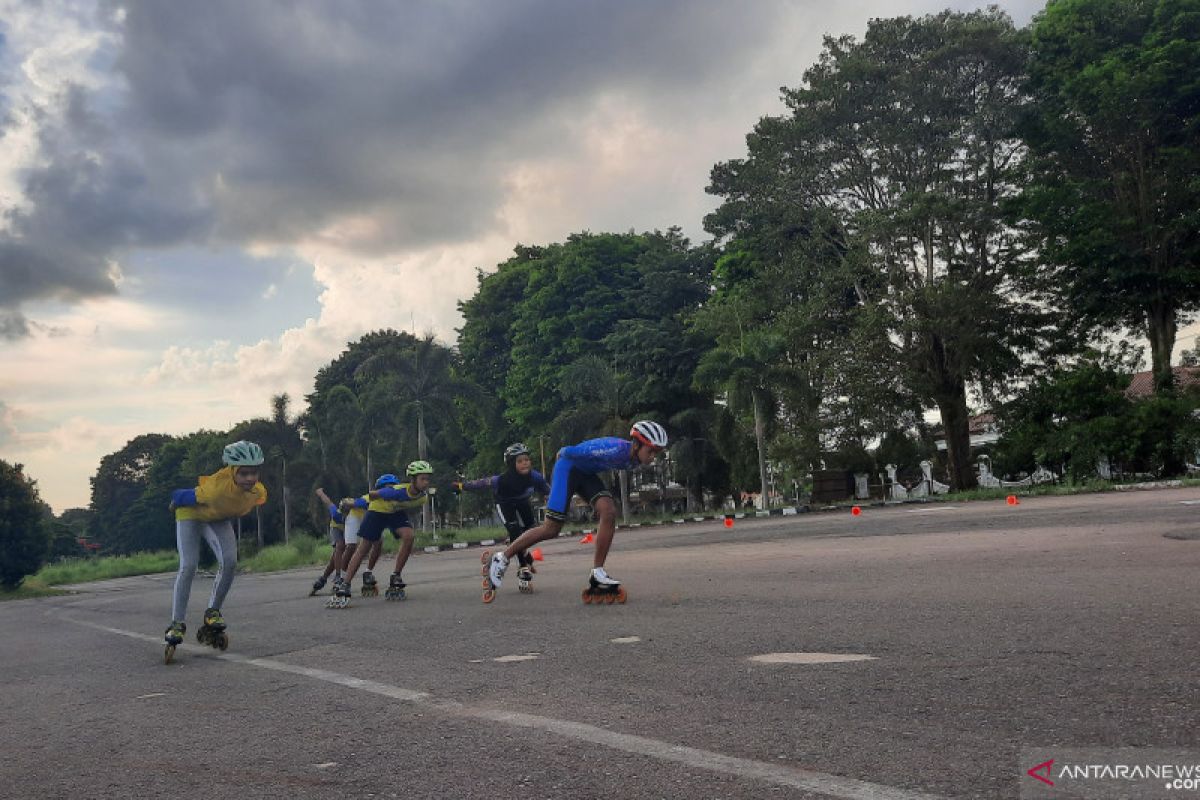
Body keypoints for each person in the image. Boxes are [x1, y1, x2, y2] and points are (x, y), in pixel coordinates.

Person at [484, 421, 668, 603]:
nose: (652, 456)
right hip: (568, 468)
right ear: (636, 445)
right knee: (551, 529)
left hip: (586, 474)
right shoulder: (616, 448)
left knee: (609, 511)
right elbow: (586, 449)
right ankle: (502, 558)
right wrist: (565, 451)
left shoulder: (635, 458)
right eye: (650, 451)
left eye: (656, 452)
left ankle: (598, 573)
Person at [163, 440, 267, 661]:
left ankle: (213, 612)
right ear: (232, 471)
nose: (250, 478)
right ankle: (177, 623)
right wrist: (175, 501)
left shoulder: (258, 491)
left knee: (230, 562)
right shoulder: (216, 489)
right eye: (244, 473)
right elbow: (181, 495)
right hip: (190, 514)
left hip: (217, 517)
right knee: (189, 565)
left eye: (254, 472)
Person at [329, 461, 433, 607]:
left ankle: (396, 575)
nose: (426, 482)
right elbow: (380, 493)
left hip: (394, 512)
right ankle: (345, 584)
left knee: (409, 536)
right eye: (422, 479)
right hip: (377, 510)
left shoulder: (423, 497)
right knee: (364, 547)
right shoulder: (398, 491)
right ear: (413, 479)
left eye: (428, 479)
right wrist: (370, 496)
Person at [457, 442, 551, 594]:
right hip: (504, 503)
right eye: (520, 461)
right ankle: (523, 567)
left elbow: (549, 492)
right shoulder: (501, 480)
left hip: (522, 501)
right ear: (511, 464)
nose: (524, 463)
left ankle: (522, 553)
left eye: (527, 459)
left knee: (532, 531)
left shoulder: (535, 477)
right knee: (515, 531)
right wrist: (462, 486)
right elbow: (480, 483)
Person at [311, 488, 354, 595]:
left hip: (346, 530)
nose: (345, 515)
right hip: (335, 528)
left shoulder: (354, 515)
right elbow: (328, 502)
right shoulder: (335, 513)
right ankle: (338, 575)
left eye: (347, 513)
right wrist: (321, 493)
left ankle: (323, 579)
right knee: (340, 546)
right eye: (344, 513)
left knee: (335, 559)